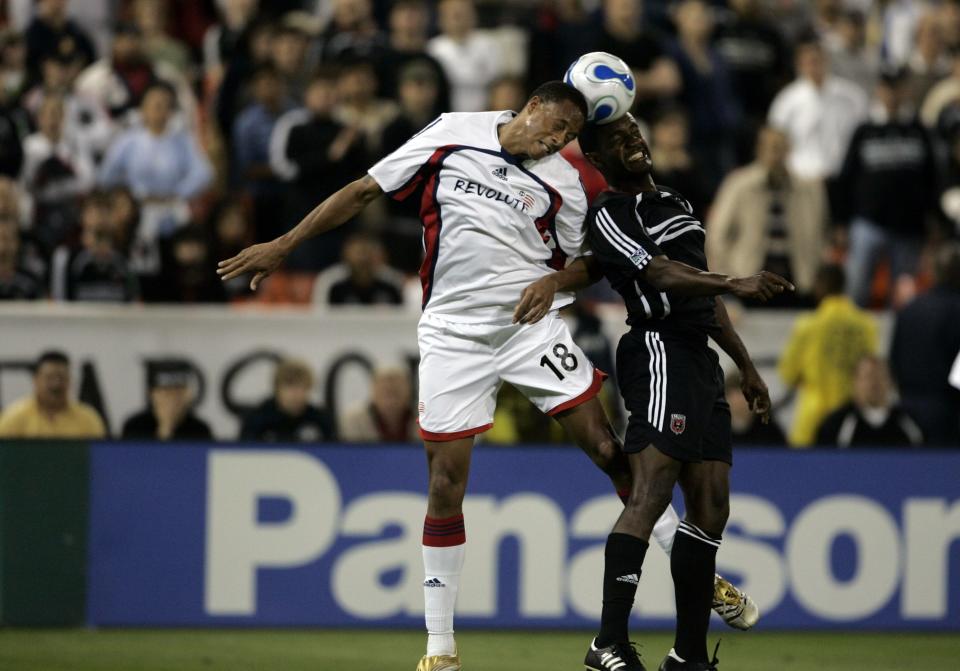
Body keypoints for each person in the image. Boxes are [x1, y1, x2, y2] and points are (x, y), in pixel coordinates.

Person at [218, 82, 778, 671]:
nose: (555, 144)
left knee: (609, 449)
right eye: (552, 130)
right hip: (452, 334)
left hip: (527, 328)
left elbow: (596, 261)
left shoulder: (566, 183)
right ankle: (440, 650)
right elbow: (362, 191)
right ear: (531, 108)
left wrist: (554, 283)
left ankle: (698, 575)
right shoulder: (452, 132)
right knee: (444, 482)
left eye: (565, 140)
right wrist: (284, 244)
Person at [572, 113, 791, 671]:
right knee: (650, 492)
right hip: (659, 349)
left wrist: (746, 366)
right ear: (598, 161)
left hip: (700, 357)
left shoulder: (675, 198)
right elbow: (661, 276)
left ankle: (688, 655)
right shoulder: (609, 213)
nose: (635, 142)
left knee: (712, 505)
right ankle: (607, 642)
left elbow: (702, 289)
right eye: (619, 142)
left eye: (635, 133)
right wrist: (735, 279)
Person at [838, 67, 938, 308]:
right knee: (856, 292)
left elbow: (931, 177)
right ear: (879, 91)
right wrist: (841, 221)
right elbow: (846, 177)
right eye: (887, 88)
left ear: (905, 91)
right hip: (867, 222)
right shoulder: (864, 130)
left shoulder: (918, 130)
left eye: (897, 88)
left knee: (904, 300)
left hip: (908, 228)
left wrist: (932, 221)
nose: (892, 94)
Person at [707, 126, 827, 306]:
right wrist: (728, 282)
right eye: (770, 147)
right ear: (758, 149)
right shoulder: (738, 184)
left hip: (797, 282)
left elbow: (822, 233)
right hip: (749, 281)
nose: (775, 153)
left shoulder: (810, 188)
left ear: (789, 149)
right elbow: (717, 235)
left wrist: (815, 272)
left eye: (780, 147)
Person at [779, 264, 878, 447]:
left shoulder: (807, 326)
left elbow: (788, 374)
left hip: (813, 417)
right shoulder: (866, 325)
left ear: (820, 286)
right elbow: (871, 368)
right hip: (850, 418)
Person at [768, 33, 868, 180]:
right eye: (809, 61)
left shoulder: (852, 96)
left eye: (818, 60)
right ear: (800, 64)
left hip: (843, 176)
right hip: (801, 178)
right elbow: (776, 141)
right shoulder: (786, 101)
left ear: (827, 60)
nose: (814, 66)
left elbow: (863, 135)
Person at [890, 243, 960, 445]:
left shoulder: (910, 308)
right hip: (948, 411)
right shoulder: (956, 310)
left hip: (907, 406)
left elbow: (894, 357)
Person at [815, 355, 924, 447]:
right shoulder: (834, 425)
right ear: (855, 382)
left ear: (891, 382)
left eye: (880, 377)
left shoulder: (911, 423)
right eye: (868, 377)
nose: (874, 384)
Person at [0, 350, 106, 438]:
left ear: (70, 381)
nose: (56, 384)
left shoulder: (88, 418)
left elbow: (98, 457)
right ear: (36, 380)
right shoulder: (14, 417)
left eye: (61, 378)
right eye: (49, 378)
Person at [427, 0, 501, 113]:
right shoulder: (433, 48)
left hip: (484, 110)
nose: (459, 20)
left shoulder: (488, 44)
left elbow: (497, 82)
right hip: (444, 112)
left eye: (463, 14)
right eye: (454, 15)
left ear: (474, 16)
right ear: (442, 19)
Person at [240, 359, 335, 442]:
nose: (295, 393)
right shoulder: (257, 418)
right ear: (277, 388)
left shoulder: (320, 420)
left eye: (301, 387)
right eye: (289, 386)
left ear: (309, 389)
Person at [121, 360, 212, 441]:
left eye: (178, 393)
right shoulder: (135, 427)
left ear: (187, 395)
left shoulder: (199, 430)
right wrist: (165, 428)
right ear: (152, 394)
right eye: (166, 393)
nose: (172, 399)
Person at [313, 231, 404, 306]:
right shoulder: (331, 282)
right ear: (345, 255)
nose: (363, 258)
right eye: (358, 253)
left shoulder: (392, 282)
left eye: (367, 251)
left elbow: (404, 315)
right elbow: (321, 316)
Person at [339, 365, 419, 442]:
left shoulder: (424, 419)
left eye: (395, 392)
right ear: (373, 389)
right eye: (385, 391)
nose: (390, 386)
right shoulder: (354, 420)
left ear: (409, 390)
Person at [726, 370, 787, 446]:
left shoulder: (768, 429)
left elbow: (783, 454)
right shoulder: (716, 430)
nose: (741, 400)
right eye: (736, 395)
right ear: (726, 398)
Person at [0, 217, 43, 300]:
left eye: (8, 239)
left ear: (17, 243)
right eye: (1, 239)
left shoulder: (30, 281)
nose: (3, 245)